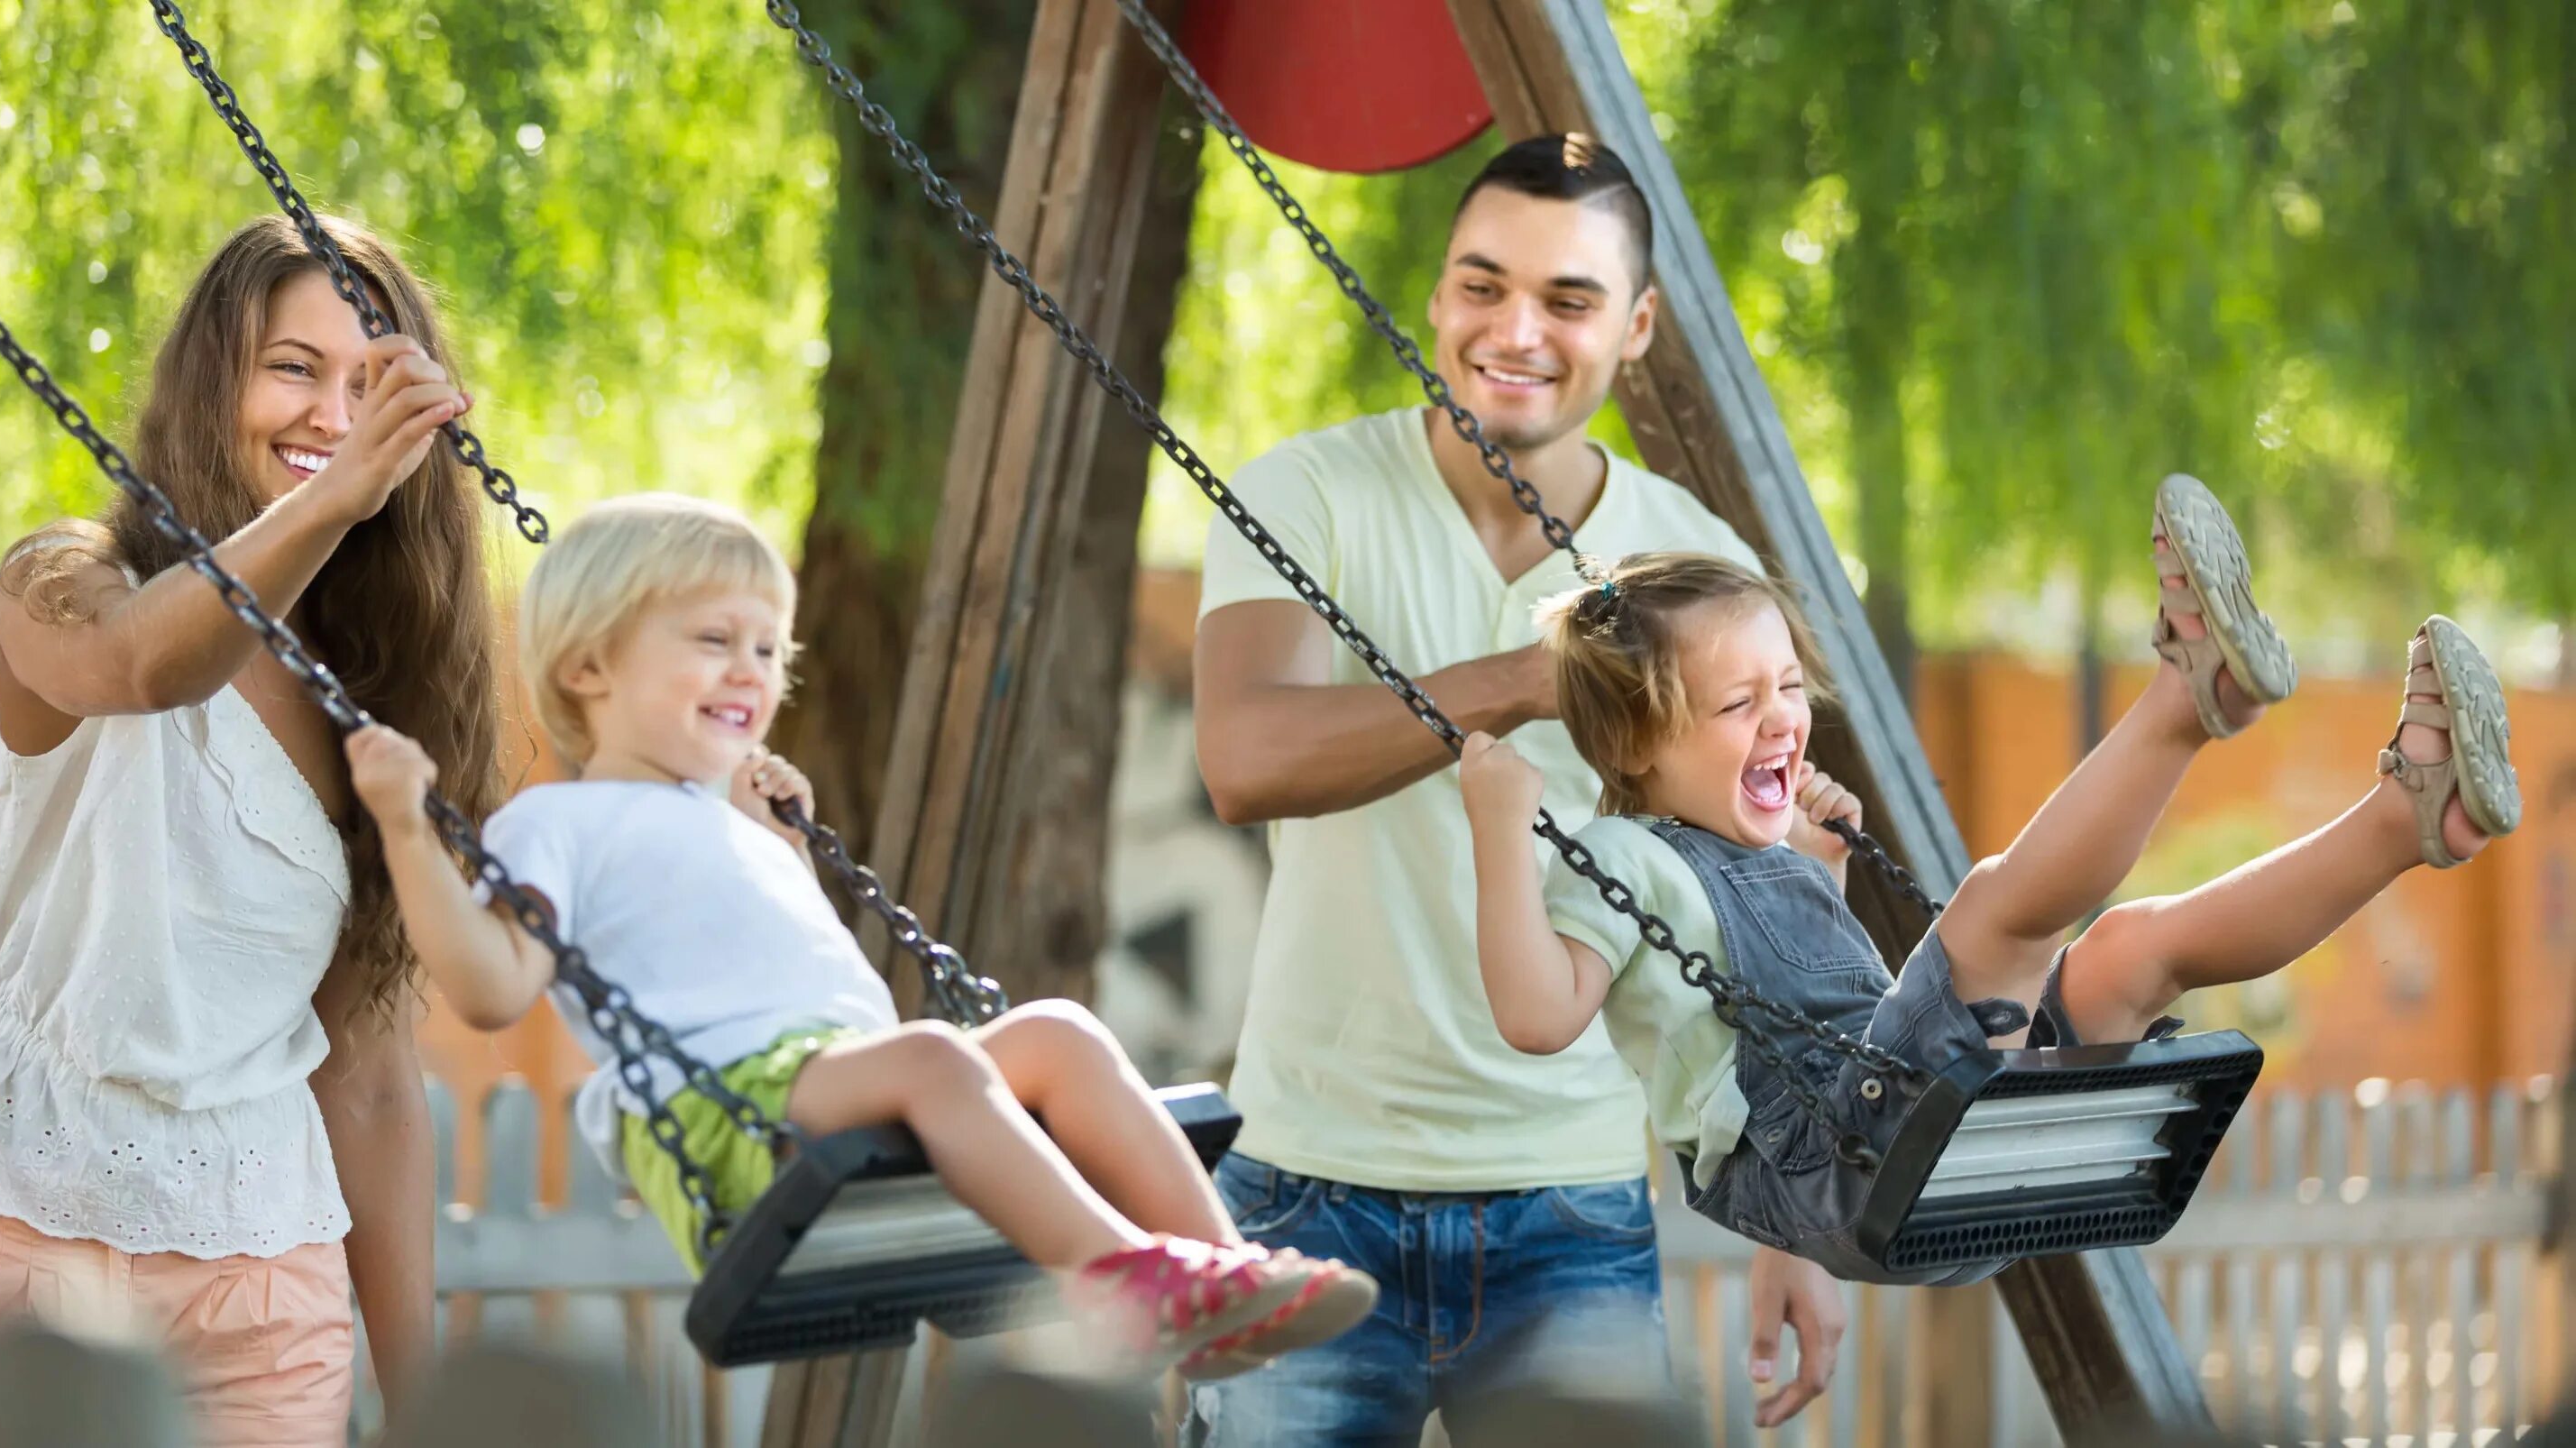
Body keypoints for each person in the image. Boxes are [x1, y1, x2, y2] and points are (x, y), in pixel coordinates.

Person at [344, 493, 1378, 1377]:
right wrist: (405, 826)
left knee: (1058, 1029)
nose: (751, 670)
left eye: (765, 646)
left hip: (830, 1077)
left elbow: (797, 970)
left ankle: (1223, 1275)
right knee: (932, 1054)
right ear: (588, 668)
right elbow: (490, 987)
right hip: (732, 1117)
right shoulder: (556, 822)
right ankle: (1124, 1278)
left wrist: (777, 845)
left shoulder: (728, 815)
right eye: (712, 640)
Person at [1186, 133, 1847, 1444]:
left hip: (1575, 1207)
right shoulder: (1307, 492)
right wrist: (1524, 679)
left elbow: (1749, 904)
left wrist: (1803, 1226)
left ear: (1640, 324)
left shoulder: (1695, 561)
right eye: (1481, 285)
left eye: (1569, 298)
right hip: (1307, 1189)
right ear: (1435, 295)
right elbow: (1246, 758)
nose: (1515, 329)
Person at [1460, 474, 2523, 1282]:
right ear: (1637, 746)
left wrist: (1818, 876)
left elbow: (1797, 1007)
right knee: (1993, 913)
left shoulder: (1750, 854)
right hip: (1843, 1168)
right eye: (1740, 705)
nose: (1784, 714)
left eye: (1788, 683)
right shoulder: (1625, 857)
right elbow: (1537, 1015)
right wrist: (1501, 831)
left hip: (1927, 1152)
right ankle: (2189, 700)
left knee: (2128, 951)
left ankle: (2411, 814)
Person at [0, 214, 494, 1444]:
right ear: (215, 382)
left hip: (258, 1288)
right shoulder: (65, 578)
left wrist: (426, 1404)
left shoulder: (377, 698)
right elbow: (149, 665)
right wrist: (341, 495)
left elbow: (365, 1082)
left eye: (368, 381)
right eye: (294, 367)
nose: (333, 413)